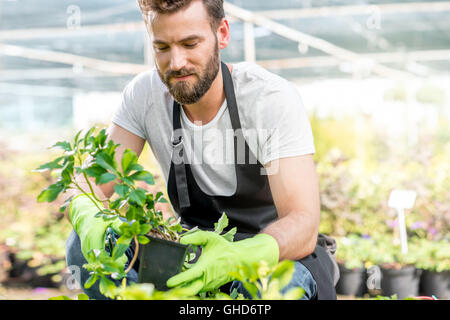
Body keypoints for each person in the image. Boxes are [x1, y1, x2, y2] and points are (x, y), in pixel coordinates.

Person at [65, 0, 338, 300]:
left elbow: (303, 222)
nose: (177, 62)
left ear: (222, 33)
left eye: (189, 43)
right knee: (83, 242)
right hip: (191, 254)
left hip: (276, 256)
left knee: (271, 285)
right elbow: (86, 183)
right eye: (162, 47)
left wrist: (237, 257)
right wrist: (85, 213)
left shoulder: (267, 98)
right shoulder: (145, 96)